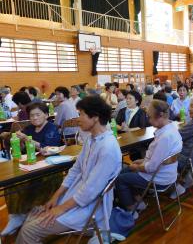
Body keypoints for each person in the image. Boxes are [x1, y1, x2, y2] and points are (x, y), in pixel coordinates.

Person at [15, 96, 122, 244]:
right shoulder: (92, 139)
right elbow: (75, 170)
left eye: (81, 114)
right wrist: (56, 197)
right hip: (76, 198)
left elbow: (90, 191)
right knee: (33, 214)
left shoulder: (107, 147)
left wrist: (60, 209)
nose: (77, 119)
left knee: (29, 229)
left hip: (89, 207)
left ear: (95, 117)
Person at [2, 103, 62, 237]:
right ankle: (16, 216)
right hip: (31, 165)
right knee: (12, 182)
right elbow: (23, 150)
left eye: (38, 114)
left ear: (46, 115)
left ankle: (29, 214)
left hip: (50, 168)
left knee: (34, 182)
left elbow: (50, 148)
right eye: (32, 115)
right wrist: (20, 141)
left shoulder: (51, 128)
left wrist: (28, 140)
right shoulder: (29, 129)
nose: (34, 118)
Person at [115, 100, 182, 216]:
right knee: (124, 172)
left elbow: (151, 167)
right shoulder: (171, 128)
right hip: (166, 173)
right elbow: (158, 158)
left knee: (120, 179)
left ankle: (131, 211)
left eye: (150, 117)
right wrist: (142, 161)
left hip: (160, 178)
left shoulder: (165, 137)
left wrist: (135, 167)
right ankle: (138, 202)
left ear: (160, 116)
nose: (148, 120)